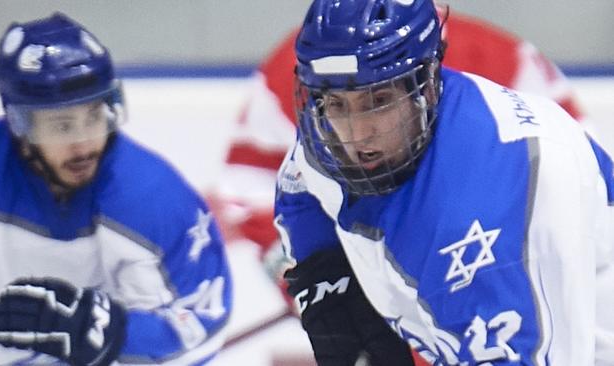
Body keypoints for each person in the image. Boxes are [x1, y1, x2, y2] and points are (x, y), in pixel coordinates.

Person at [275, 0, 614, 364]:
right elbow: (301, 186)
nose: (357, 134)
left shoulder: (494, 204)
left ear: (427, 86)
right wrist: (327, 273)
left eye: (380, 101)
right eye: (338, 104)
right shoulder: (327, 137)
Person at [209, 4, 585, 257]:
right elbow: (248, 190)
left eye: (379, 100)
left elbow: (579, 175)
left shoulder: (499, 57)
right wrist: (312, 273)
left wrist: (494, 253)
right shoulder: (301, 63)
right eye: (340, 105)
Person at [0, 13, 232, 365]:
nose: (84, 144)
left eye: (94, 117)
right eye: (62, 126)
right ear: (20, 125)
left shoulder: (151, 199)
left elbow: (201, 323)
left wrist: (114, 331)